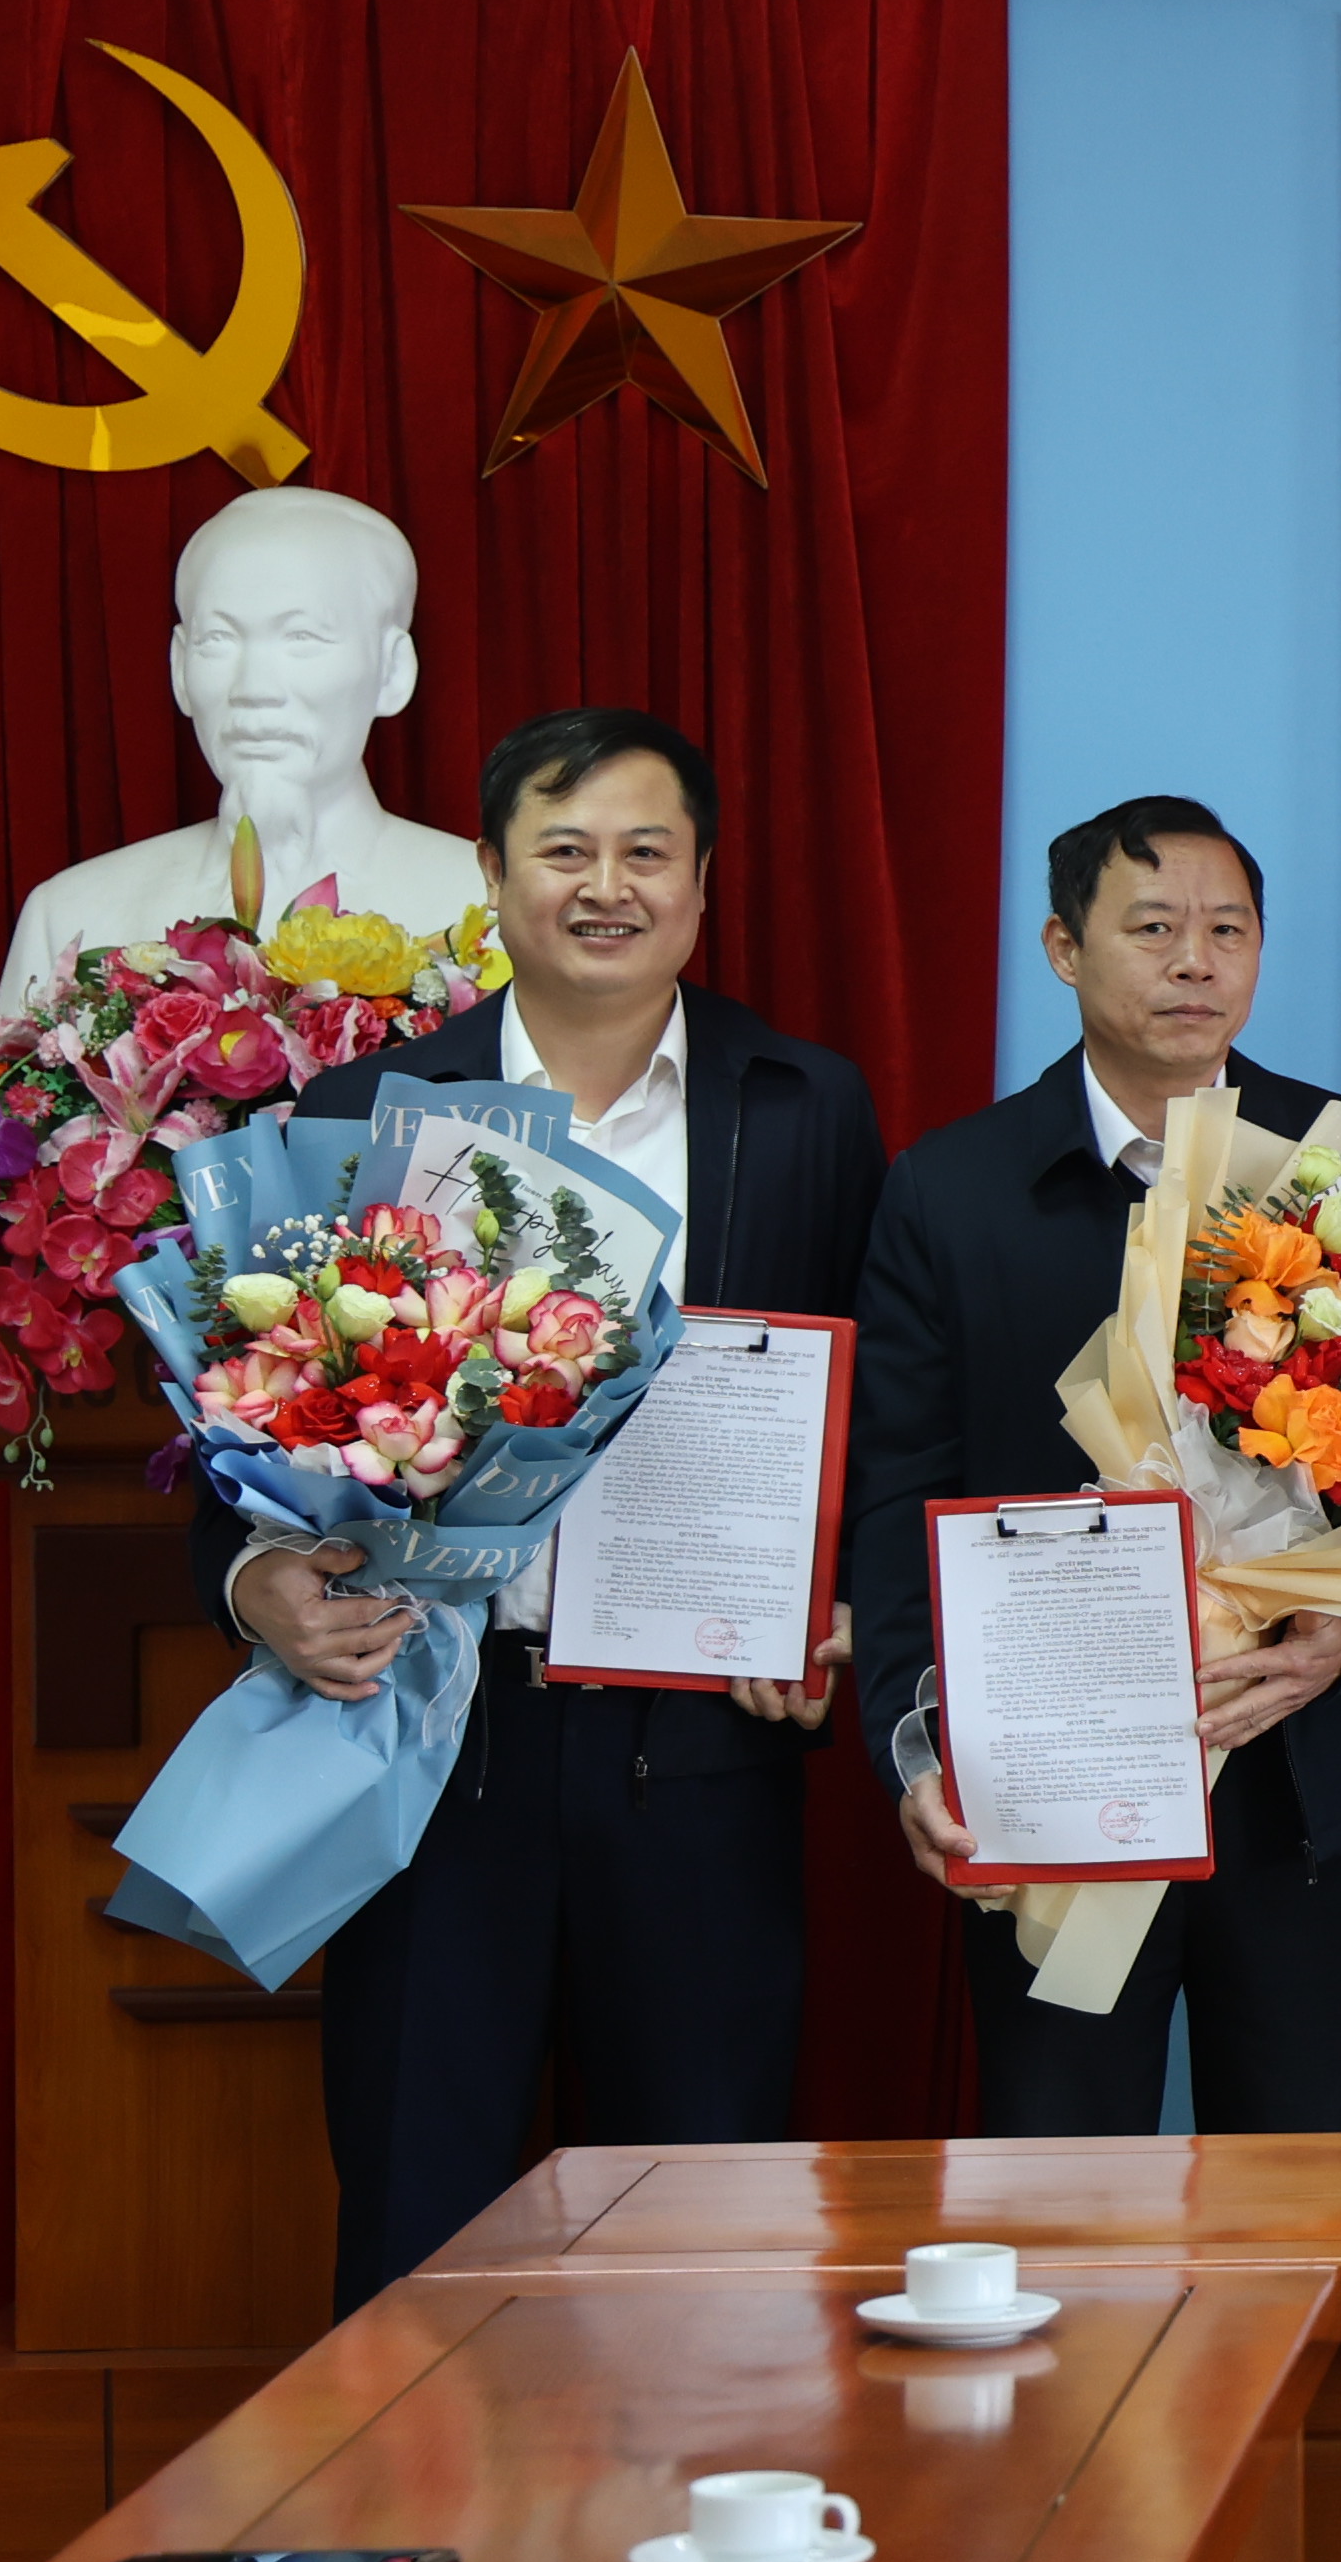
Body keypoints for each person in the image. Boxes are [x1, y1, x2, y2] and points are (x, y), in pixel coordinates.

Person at [215, 707, 887, 2309]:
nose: (608, 887)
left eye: (648, 852)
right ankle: (407, 2479)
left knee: (706, 2238)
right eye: (565, 850)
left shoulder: (803, 1105)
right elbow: (257, 1401)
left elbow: (884, 1402)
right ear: (491, 875)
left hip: (701, 1750)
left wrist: (843, 1603)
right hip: (439, 1741)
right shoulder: (370, 1106)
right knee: (415, 2215)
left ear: (702, 882)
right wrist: (254, 1585)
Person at [844, 796, 1341, 2133]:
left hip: (1299, 1778)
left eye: (1228, 930)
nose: (1195, 962)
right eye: (1153, 928)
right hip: (1053, 1779)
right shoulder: (954, 1188)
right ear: (1064, 947)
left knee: (1300, 2191)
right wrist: (916, 1748)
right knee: (1063, 2180)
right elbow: (899, 1496)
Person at [0, 487, 488, 1015]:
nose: (254, 689)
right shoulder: (72, 914)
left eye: (302, 637)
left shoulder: (490, 907)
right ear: (180, 669)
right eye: (217, 640)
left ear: (392, 672)